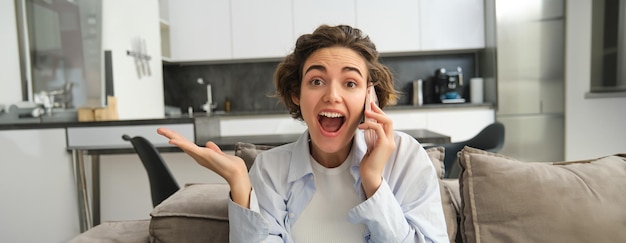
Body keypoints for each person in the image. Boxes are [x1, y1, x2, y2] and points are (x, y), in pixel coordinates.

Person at [157, 24, 448, 243]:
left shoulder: (406, 157)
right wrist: (239, 183)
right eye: (317, 80)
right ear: (297, 93)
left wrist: (374, 182)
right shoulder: (271, 169)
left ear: (368, 97)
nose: (332, 95)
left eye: (350, 83)